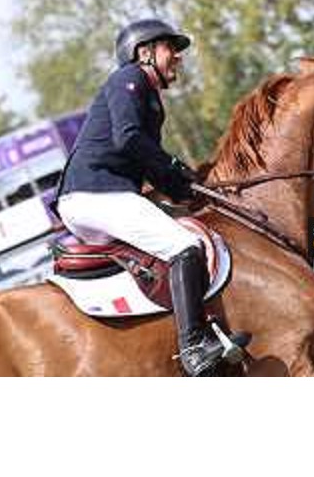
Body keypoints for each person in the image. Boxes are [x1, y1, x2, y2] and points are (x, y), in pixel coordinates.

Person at [54, 19, 239, 376]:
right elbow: (129, 139)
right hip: (96, 192)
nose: (178, 58)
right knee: (186, 247)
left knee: (167, 247)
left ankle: (192, 333)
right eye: (171, 49)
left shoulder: (149, 97)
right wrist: (176, 167)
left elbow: (148, 161)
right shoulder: (132, 79)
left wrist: (188, 190)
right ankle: (194, 347)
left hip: (96, 196)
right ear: (145, 53)